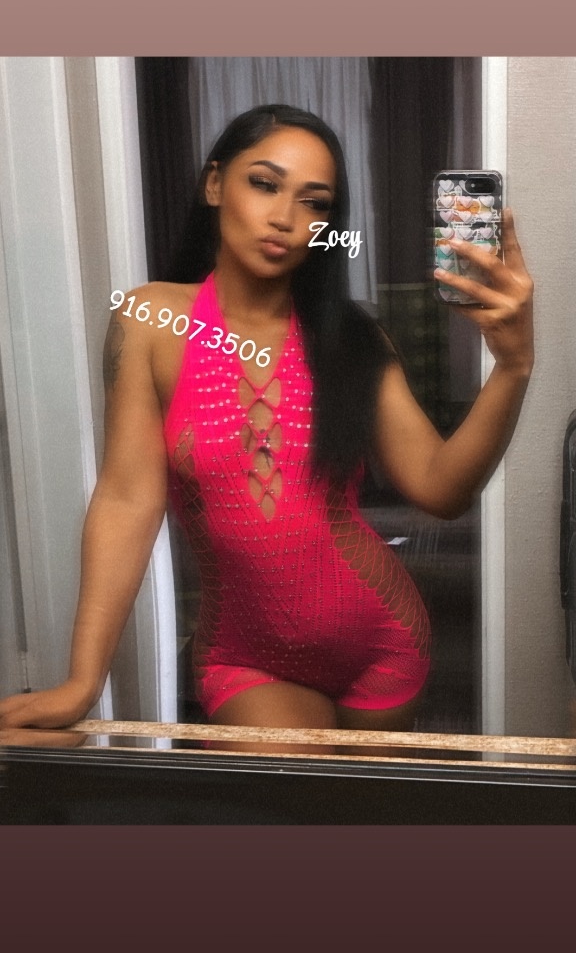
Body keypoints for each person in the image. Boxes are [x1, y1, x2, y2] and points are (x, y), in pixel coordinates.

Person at [0, 104, 534, 748]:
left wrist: (512, 367)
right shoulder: (151, 322)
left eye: (314, 202)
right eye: (264, 183)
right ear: (215, 184)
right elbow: (125, 500)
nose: (285, 217)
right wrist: (82, 682)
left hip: (380, 642)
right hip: (244, 655)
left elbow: (441, 490)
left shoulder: (353, 339)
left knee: (367, 809)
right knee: (287, 787)